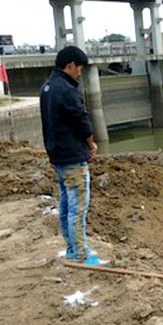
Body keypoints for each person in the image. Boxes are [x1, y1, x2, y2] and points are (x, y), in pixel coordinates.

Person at [39, 46, 102, 265]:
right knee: (78, 207)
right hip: (73, 157)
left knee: (66, 204)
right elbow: (81, 120)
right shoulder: (66, 89)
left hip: (58, 156)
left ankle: (72, 249)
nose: (79, 73)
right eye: (79, 69)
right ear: (71, 65)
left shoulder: (47, 87)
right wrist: (91, 143)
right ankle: (81, 255)